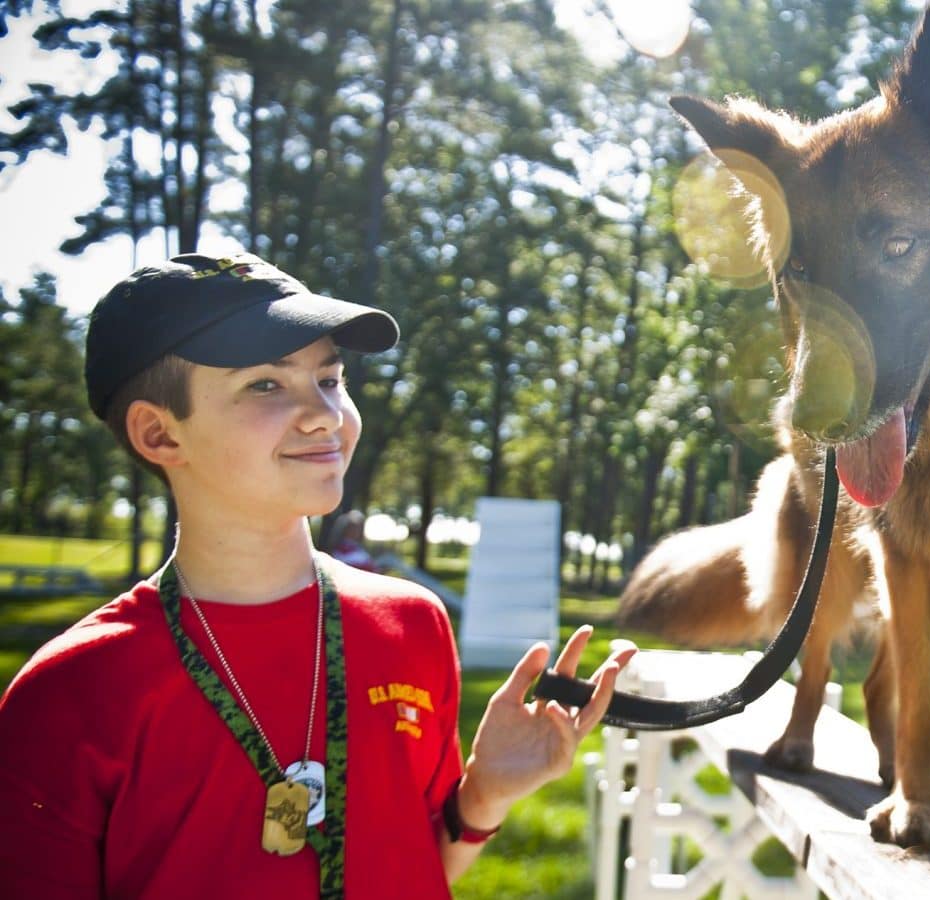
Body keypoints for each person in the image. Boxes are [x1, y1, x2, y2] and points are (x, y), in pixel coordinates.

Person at [0, 253, 635, 898]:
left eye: (331, 379)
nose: (325, 414)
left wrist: (487, 794)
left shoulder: (412, 624)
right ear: (160, 434)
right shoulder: (71, 691)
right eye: (266, 386)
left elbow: (414, 869)